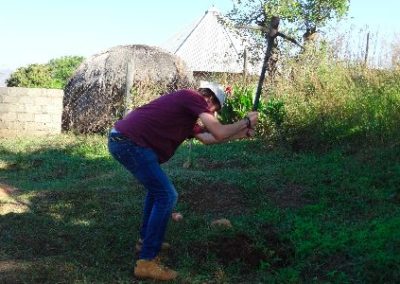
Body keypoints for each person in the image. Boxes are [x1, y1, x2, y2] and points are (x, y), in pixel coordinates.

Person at [108, 81, 258, 281]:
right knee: (167, 195)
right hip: (129, 143)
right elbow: (219, 130)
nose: (212, 115)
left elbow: (209, 138)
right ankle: (146, 262)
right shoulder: (192, 97)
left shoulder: (187, 116)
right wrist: (246, 122)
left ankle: (145, 242)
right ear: (210, 100)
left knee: (157, 192)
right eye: (215, 110)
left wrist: (241, 134)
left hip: (128, 142)